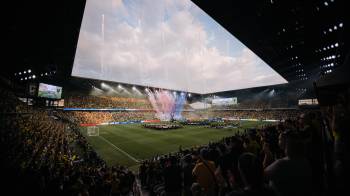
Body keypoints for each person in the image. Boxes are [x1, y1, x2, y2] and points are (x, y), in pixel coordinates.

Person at [265, 132, 312, 196]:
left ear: (287, 143)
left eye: (280, 139)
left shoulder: (282, 163)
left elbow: (260, 176)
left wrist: (267, 154)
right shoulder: (304, 159)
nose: (278, 141)